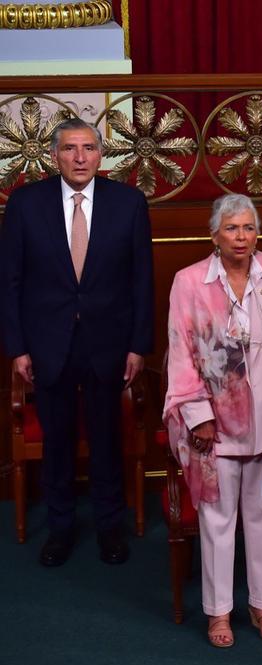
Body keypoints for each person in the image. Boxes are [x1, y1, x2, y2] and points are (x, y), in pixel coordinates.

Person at [0, 117, 154, 567]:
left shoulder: (128, 203)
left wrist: (137, 346)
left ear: (101, 154)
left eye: (88, 148)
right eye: (70, 149)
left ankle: (110, 528)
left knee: (108, 439)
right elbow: (9, 282)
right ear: (54, 156)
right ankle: (61, 528)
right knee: (58, 441)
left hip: (110, 344)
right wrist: (18, 348)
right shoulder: (26, 204)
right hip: (48, 345)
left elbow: (141, 281)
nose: (80, 157)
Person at [163, 194, 262, 647]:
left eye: (248, 228)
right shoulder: (188, 282)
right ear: (214, 235)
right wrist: (198, 417)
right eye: (232, 228)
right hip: (215, 429)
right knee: (217, 520)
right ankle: (219, 612)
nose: (241, 237)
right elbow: (182, 356)